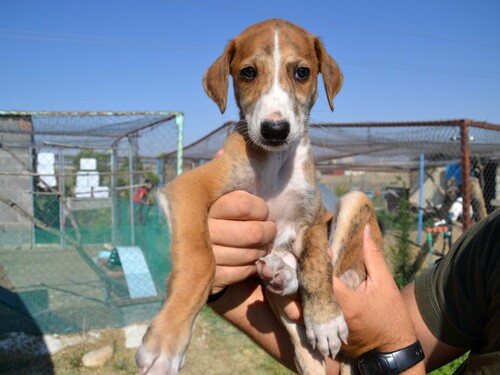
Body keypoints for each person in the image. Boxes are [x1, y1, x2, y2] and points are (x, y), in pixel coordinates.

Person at [206, 190, 500, 374]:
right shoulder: (493, 242)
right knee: (355, 202)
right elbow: (352, 363)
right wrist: (229, 294)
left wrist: (390, 344)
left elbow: (386, 347)